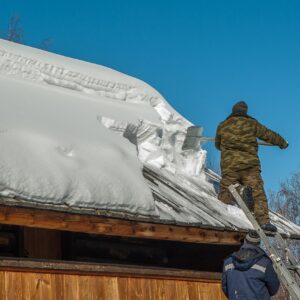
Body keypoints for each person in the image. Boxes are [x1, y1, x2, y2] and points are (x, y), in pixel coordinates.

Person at [215, 101, 288, 232]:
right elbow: (268, 135)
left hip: (230, 167)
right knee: (257, 192)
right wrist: (282, 142)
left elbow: (217, 145)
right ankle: (264, 222)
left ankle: (236, 195)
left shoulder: (222, 126)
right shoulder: (252, 124)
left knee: (225, 194)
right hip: (250, 166)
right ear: (245, 112)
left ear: (233, 111)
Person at [222, 231, 280, 300]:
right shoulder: (264, 263)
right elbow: (273, 288)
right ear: (258, 244)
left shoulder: (228, 262)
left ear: (245, 241)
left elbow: (225, 287)